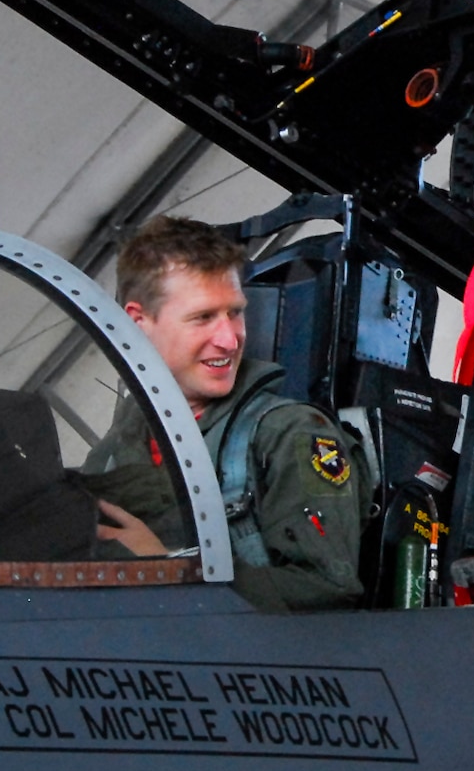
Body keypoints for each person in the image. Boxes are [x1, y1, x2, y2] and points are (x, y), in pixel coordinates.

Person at [81, 216, 370, 612]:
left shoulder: (289, 434)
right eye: (203, 317)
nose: (229, 339)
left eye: (234, 313)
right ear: (138, 323)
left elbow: (328, 590)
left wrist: (171, 570)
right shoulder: (112, 452)